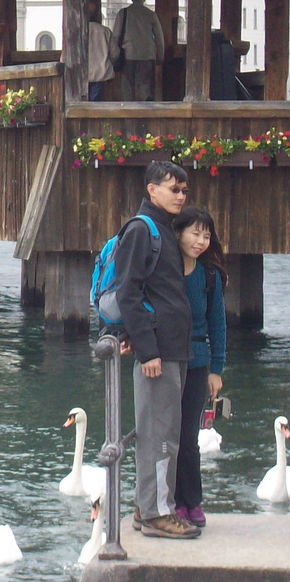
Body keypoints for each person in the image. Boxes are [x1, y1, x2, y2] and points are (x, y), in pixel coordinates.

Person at [114, 160, 197, 538]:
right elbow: (128, 293)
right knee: (159, 434)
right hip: (158, 352)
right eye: (172, 189)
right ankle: (156, 514)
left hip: (172, 347)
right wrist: (147, 350)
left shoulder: (162, 229)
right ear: (151, 189)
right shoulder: (141, 229)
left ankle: (146, 507)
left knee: (166, 432)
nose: (180, 196)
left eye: (183, 190)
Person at [172, 205, 227, 530]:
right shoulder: (164, 271)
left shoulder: (209, 276)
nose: (201, 241)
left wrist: (216, 369)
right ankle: (169, 502)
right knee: (165, 437)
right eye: (195, 233)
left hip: (197, 362)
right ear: (177, 232)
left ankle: (191, 501)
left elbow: (217, 325)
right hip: (165, 360)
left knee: (188, 437)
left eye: (206, 235)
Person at [112, 0, 165, 101]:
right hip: (147, 55)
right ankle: (146, 104)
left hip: (128, 54)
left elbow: (116, 35)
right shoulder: (151, 14)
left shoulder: (123, 13)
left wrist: (114, 55)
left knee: (127, 86)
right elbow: (159, 37)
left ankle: (129, 110)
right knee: (144, 84)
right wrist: (160, 55)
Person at [87, 11, 120, 101]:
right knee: (96, 103)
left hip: (80, 74)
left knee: (79, 105)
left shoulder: (77, 31)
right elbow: (115, 53)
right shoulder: (105, 31)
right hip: (100, 73)